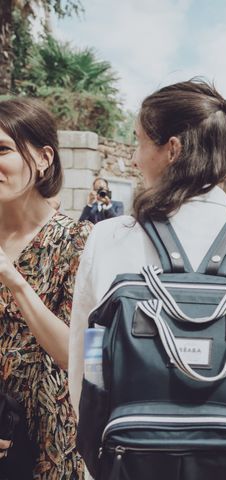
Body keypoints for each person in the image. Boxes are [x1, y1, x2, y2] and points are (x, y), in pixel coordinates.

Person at [68, 79, 226, 480]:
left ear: (172, 149)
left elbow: (88, 360)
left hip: (131, 460)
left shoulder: (110, 237)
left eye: (139, 142)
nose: (133, 159)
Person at [0, 98, 90, 478]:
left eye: (2, 149)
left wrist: (14, 281)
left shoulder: (78, 240)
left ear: (43, 158)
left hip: (46, 434)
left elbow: (80, 353)